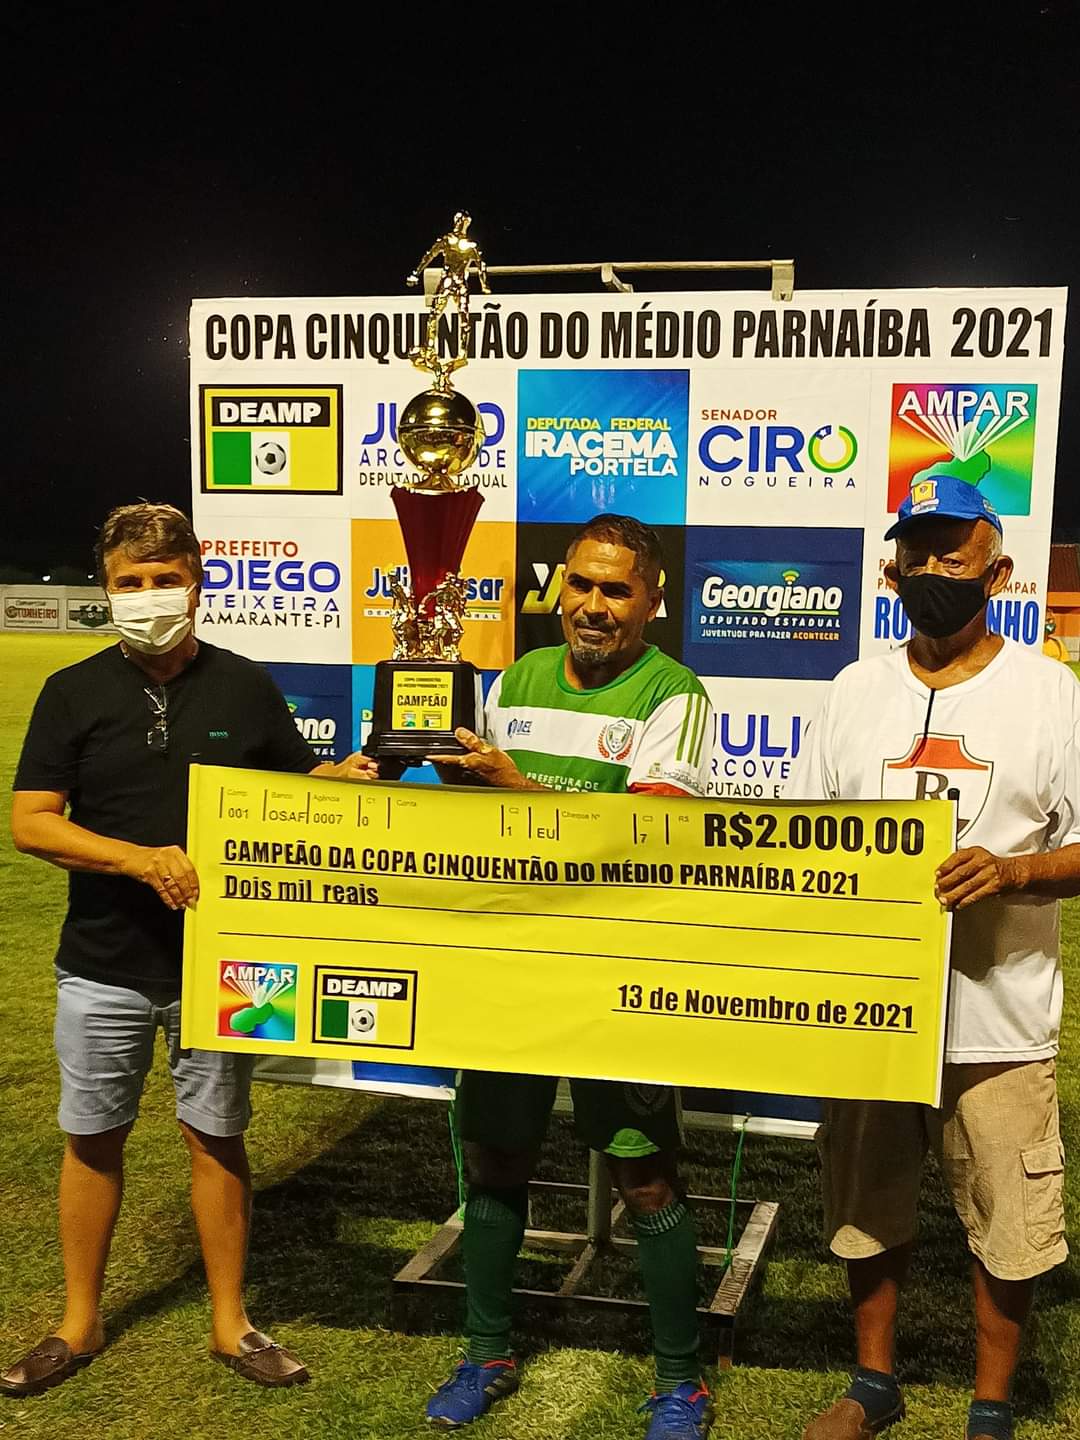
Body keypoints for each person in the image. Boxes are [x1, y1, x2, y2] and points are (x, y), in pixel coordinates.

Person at [3, 503, 371, 1399]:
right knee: (93, 1138)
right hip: (102, 962)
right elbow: (31, 822)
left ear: (197, 585)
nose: (148, 597)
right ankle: (77, 1323)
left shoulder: (245, 685)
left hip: (228, 959)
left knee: (220, 1136)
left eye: (164, 580)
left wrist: (363, 775)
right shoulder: (72, 692)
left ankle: (230, 1323)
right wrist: (141, 861)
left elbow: (300, 782)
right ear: (107, 592)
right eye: (130, 584)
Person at [788, 476, 1075, 1440]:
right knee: (863, 1196)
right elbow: (804, 839)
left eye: (955, 554)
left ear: (997, 571)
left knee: (1008, 1214)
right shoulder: (853, 689)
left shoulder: (1049, 691)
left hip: (999, 1015)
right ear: (890, 567)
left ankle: (990, 1403)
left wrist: (1016, 871)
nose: (934, 569)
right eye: (919, 551)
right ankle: (875, 1382)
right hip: (872, 1010)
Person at [422, 514, 716, 1439]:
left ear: (652, 603)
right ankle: (487, 1352)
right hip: (512, 967)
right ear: (561, 587)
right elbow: (480, 824)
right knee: (495, 1160)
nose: (593, 606)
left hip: (617, 971)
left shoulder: (677, 695)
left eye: (616, 590)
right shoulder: (509, 682)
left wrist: (512, 789)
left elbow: (646, 833)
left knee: (646, 1181)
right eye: (581, 585)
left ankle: (681, 1382)